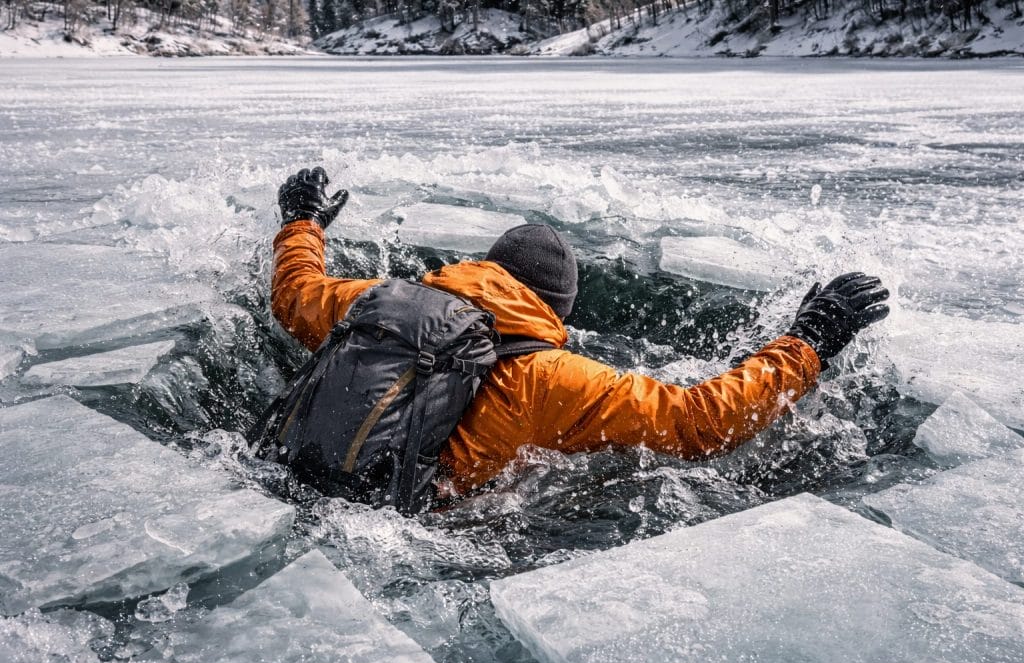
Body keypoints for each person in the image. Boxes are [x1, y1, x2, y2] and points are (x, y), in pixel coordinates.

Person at [270, 167, 890, 500]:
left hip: (291, 473)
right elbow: (700, 422)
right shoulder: (551, 377)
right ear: (554, 310)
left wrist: (302, 221)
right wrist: (809, 339)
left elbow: (294, 294)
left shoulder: (373, 298)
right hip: (413, 525)